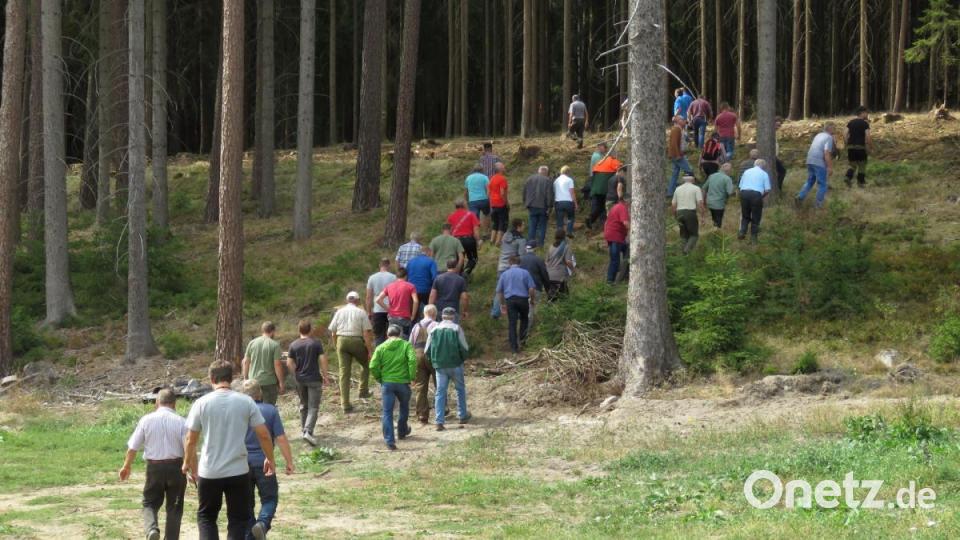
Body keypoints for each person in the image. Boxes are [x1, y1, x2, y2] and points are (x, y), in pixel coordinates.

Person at [182, 361, 275, 540]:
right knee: (238, 519)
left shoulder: (201, 403)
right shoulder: (246, 401)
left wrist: (187, 462)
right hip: (238, 470)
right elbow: (263, 434)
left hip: (210, 471)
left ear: (211, 379)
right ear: (231, 379)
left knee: (207, 517)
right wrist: (269, 458)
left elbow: (190, 438)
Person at [119, 388, 188, 540]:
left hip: (154, 468)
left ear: (157, 403)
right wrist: (190, 468)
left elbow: (133, 447)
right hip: (177, 468)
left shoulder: (146, 420)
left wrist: (126, 466)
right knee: (175, 507)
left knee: (149, 502)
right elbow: (187, 448)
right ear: (174, 404)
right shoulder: (182, 422)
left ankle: (151, 529)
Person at [241, 379, 294, 540]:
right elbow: (281, 438)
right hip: (264, 462)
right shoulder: (270, 410)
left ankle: (250, 535)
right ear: (260, 393)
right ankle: (262, 523)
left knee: (246, 504)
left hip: (241, 463)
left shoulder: (238, 412)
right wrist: (289, 462)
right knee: (270, 498)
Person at [369, 324, 417, 450]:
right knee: (404, 406)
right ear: (400, 334)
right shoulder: (406, 345)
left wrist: (380, 378)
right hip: (403, 383)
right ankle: (402, 431)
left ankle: (390, 441)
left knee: (387, 412)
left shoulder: (380, 347)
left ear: (387, 335)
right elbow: (412, 360)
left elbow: (372, 366)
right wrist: (411, 377)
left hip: (387, 383)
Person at [328, 291, 374, 413]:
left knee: (344, 372)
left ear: (347, 300)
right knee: (366, 364)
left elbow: (333, 332)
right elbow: (366, 333)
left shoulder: (339, 312)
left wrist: (336, 345)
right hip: (356, 340)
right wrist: (369, 351)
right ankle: (363, 391)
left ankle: (345, 404)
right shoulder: (361, 312)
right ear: (358, 301)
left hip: (341, 340)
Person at [425, 307, 470, 430]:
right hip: (455, 364)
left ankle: (439, 421)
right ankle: (462, 415)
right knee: (460, 389)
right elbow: (464, 347)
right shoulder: (456, 328)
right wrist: (462, 359)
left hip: (440, 366)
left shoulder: (433, 330)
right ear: (454, 316)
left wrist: (434, 361)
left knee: (440, 392)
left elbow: (427, 350)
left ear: (442, 316)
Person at [286, 320, 329, 445]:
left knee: (303, 405)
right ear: (310, 330)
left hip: (300, 379)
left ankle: (304, 430)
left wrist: (296, 374)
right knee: (313, 407)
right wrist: (325, 376)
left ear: (299, 330)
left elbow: (289, 363)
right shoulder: (315, 343)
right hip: (314, 378)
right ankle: (308, 432)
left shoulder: (293, 345)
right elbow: (322, 359)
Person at [496, 257, 537, 354]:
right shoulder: (525, 273)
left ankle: (514, 347)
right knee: (524, 320)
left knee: (512, 323)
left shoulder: (504, 274)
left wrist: (502, 304)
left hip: (510, 300)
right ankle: (522, 341)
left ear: (509, 263)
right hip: (523, 299)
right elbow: (531, 289)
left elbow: (499, 291)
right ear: (519, 263)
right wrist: (532, 300)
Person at [409, 305, 439, 424]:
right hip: (433, 356)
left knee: (420, 387)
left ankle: (422, 415)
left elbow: (410, 344)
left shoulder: (416, 326)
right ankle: (441, 410)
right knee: (439, 384)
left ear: (424, 313)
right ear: (434, 314)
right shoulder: (437, 325)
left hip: (418, 355)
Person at [491, 219, 526, 318]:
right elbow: (522, 256)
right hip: (512, 267)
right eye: (523, 225)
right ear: (518, 226)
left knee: (500, 289)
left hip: (501, 266)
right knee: (516, 290)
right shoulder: (521, 240)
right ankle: (517, 313)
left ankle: (495, 312)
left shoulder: (505, 235)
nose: (524, 227)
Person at [242, 322, 284, 405]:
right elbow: (277, 365)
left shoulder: (252, 343)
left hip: (253, 381)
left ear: (262, 330)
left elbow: (246, 362)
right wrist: (281, 382)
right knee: (269, 407)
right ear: (273, 331)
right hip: (269, 382)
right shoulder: (274, 345)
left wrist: (245, 378)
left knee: (255, 407)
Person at [796, 122, 836, 208]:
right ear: (830, 129)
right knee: (822, 184)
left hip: (810, 160)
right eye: (834, 128)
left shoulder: (818, 135)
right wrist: (829, 167)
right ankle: (818, 205)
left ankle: (800, 197)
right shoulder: (829, 137)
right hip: (819, 162)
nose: (834, 130)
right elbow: (826, 153)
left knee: (810, 181)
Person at [377, 266, 419, 339]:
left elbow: (378, 299)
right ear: (406, 276)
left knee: (392, 338)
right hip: (405, 317)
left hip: (392, 317)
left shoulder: (389, 286)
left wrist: (388, 309)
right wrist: (413, 315)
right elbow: (415, 301)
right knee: (404, 339)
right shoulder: (411, 286)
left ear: (396, 276)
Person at [739, 159, 772, 242]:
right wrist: (761, 196)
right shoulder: (764, 174)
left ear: (754, 164)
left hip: (744, 193)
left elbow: (740, 185)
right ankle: (753, 237)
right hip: (756, 195)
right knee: (756, 217)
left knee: (745, 215)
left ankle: (742, 232)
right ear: (763, 166)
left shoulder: (746, 172)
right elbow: (767, 189)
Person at [365, 258, 396, 347]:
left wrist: (369, 311)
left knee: (379, 336)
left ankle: (380, 356)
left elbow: (368, 297)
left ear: (380, 265)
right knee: (393, 335)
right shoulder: (393, 277)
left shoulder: (372, 278)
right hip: (391, 308)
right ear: (389, 265)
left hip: (378, 309)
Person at [672, 175, 706, 255]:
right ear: (693, 180)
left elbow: (673, 204)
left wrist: (674, 215)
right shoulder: (696, 188)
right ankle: (686, 251)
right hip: (690, 212)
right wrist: (702, 216)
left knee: (683, 234)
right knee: (694, 235)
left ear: (684, 180)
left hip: (679, 212)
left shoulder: (678, 189)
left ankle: (682, 254)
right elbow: (700, 203)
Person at [588, 151, 622, 229]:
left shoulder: (600, 162)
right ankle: (606, 225)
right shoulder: (614, 161)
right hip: (605, 190)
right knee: (605, 207)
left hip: (596, 189)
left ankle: (591, 220)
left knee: (599, 207)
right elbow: (622, 168)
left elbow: (592, 175)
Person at [447, 199, 481, 276]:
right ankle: (465, 273)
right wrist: (478, 241)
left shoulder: (451, 216)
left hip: (455, 240)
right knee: (473, 259)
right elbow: (475, 230)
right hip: (468, 239)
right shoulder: (471, 214)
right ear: (464, 205)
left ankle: (458, 276)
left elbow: (448, 231)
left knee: (458, 260)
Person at [523, 165, 554, 249]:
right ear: (546, 172)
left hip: (531, 205)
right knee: (542, 226)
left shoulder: (529, 178)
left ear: (538, 171)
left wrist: (525, 203)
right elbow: (549, 195)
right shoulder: (548, 180)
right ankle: (540, 245)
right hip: (543, 206)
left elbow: (525, 191)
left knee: (532, 225)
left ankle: (530, 244)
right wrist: (550, 207)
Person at [405, 250, 438, 321]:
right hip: (426, 290)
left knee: (413, 312)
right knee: (429, 312)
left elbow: (406, 276)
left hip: (412, 291)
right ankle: (428, 326)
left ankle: (413, 328)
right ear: (428, 252)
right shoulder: (431, 261)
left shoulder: (410, 261)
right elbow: (434, 277)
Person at [604, 194, 630, 283]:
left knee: (627, 249)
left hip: (612, 235)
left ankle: (626, 272)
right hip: (616, 236)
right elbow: (626, 223)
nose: (630, 206)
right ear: (626, 201)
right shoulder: (623, 208)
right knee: (615, 260)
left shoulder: (616, 207)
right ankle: (610, 281)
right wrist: (635, 231)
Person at [844, 106, 872, 187]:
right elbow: (868, 137)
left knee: (852, 165)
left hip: (851, 147)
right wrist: (871, 146)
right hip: (860, 147)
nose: (867, 114)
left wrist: (847, 143)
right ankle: (861, 182)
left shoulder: (851, 122)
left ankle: (848, 177)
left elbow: (844, 133)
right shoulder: (865, 124)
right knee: (862, 165)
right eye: (866, 113)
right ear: (862, 113)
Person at [668, 115, 695, 197]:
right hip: (677, 155)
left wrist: (689, 140)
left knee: (675, 174)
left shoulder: (680, 129)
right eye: (682, 119)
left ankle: (670, 191)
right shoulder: (676, 129)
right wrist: (677, 155)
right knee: (689, 171)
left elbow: (683, 139)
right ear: (678, 121)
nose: (684, 121)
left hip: (678, 154)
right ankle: (688, 189)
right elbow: (674, 143)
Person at [702, 163, 735, 228]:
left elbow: (703, 188)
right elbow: (730, 192)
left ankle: (714, 230)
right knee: (718, 221)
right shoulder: (727, 179)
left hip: (710, 202)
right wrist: (735, 193)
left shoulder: (712, 176)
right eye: (731, 170)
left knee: (714, 219)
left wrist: (704, 201)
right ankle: (716, 234)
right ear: (728, 171)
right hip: (719, 203)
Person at [545, 229, 575, 300]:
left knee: (552, 297)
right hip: (560, 276)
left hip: (549, 275)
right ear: (564, 237)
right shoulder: (566, 247)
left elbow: (546, 262)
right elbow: (568, 262)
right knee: (565, 298)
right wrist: (573, 270)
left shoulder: (550, 247)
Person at [488, 162, 510, 245]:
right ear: (500, 169)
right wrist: (506, 202)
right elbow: (502, 193)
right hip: (501, 204)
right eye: (503, 167)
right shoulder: (502, 179)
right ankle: (498, 241)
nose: (504, 168)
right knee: (502, 222)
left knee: (495, 222)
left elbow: (488, 192)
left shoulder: (492, 178)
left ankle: (492, 240)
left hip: (493, 203)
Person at [464, 165, 491, 230]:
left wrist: (466, 200)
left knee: (475, 218)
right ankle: (485, 231)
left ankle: (477, 233)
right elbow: (488, 189)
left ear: (473, 170)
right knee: (486, 215)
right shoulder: (485, 177)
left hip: (472, 200)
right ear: (482, 170)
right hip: (483, 199)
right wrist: (488, 199)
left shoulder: (468, 178)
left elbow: (466, 192)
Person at [553, 165, 577, 236]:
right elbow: (572, 192)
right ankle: (569, 231)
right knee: (571, 217)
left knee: (559, 219)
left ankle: (559, 234)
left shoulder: (556, 181)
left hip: (559, 202)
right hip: (568, 202)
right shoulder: (569, 180)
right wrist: (575, 203)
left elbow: (554, 192)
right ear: (568, 172)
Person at [775, 117, 787, 191]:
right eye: (777, 125)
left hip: (775, 157)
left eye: (779, 125)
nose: (778, 127)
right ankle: (778, 189)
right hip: (773, 158)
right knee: (782, 171)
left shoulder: (774, 133)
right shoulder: (769, 133)